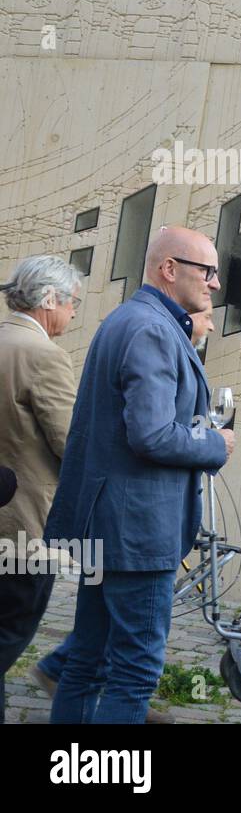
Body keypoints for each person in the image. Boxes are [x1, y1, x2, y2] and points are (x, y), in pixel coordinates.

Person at [43, 227, 235, 724]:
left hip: (109, 528)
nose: (215, 284)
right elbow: (150, 434)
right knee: (134, 671)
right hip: (136, 533)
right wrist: (215, 442)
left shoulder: (130, 320)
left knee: (86, 661)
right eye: (207, 271)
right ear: (169, 269)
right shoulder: (150, 328)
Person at [0, 256, 80, 724]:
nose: (72, 313)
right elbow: (71, 442)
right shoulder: (44, 355)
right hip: (24, 524)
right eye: (70, 303)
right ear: (50, 299)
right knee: (13, 626)